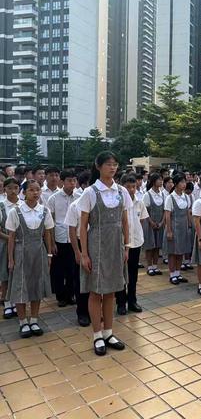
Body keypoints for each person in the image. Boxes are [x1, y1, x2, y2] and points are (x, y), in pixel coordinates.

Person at [78, 151, 131, 356]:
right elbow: (82, 226)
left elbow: (125, 221)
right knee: (95, 291)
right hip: (96, 245)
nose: (113, 168)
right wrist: (84, 254)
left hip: (116, 245)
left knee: (111, 291)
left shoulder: (121, 191)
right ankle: (97, 335)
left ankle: (109, 332)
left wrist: (126, 246)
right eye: (109, 164)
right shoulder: (90, 192)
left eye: (115, 164)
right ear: (98, 166)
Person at [6, 180, 54, 338]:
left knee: (36, 285)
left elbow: (47, 233)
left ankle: (34, 319)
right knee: (21, 286)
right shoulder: (16, 211)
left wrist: (48, 254)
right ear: (24, 192)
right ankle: (22, 322)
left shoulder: (44, 210)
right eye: (31, 190)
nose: (35, 193)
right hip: (21, 252)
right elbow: (11, 237)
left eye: (38, 190)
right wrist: (11, 259)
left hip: (39, 252)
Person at [115, 174, 148, 315]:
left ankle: (132, 300)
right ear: (121, 187)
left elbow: (141, 220)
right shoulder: (117, 203)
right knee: (121, 274)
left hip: (136, 242)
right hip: (121, 244)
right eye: (127, 187)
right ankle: (121, 302)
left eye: (133, 187)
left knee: (133, 274)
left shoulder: (139, 202)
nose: (130, 189)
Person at [64, 175, 91, 328]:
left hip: (93, 243)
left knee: (93, 279)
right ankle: (82, 313)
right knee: (80, 280)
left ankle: (93, 310)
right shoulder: (75, 206)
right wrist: (77, 252)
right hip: (80, 244)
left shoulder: (94, 204)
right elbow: (72, 231)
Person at [47, 169, 77, 308]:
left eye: (74, 180)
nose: (72, 183)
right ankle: (60, 296)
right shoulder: (53, 198)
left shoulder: (79, 197)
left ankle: (71, 294)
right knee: (59, 270)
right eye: (69, 181)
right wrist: (52, 243)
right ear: (62, 182)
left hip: (74, 239)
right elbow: (50, 222)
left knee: (72, 269)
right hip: (59, 238)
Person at [164, 173, 191, 285]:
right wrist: (169, 230)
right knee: (172, 252)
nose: (184, 185)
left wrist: (190, 225)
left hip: (183, 228)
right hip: (174, 227)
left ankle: (178, 273)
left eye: (184, 182)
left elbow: (188, 212)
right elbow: (167, 215)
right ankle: (172, 275)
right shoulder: (170, 198)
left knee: (181, 251)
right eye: (181, 182)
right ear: (175, 184)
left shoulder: (186, 197)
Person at [1, 178, 21, 320]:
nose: (13, 191)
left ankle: (16, 302)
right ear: (4, 189)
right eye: (10, 188)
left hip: (21, 245)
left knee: (18, 274)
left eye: (15, 188)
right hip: (6, 244)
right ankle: (7, 303)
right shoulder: (2, 206)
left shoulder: (24, 204)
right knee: (5, 274)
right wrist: (11, 239)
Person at [143, 173, 166, 277]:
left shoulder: (163, 194)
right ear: (153, 181)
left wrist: (161, 222)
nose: (161, 182)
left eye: (162, 180)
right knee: (150, 246)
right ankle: (149, 266)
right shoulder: (147, 195)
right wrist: (151, 222)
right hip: (150, 223)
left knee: (157, 246)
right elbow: (145, 211)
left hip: (160, 223)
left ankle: (155, 266)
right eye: (159, 180)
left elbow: (165, 210)